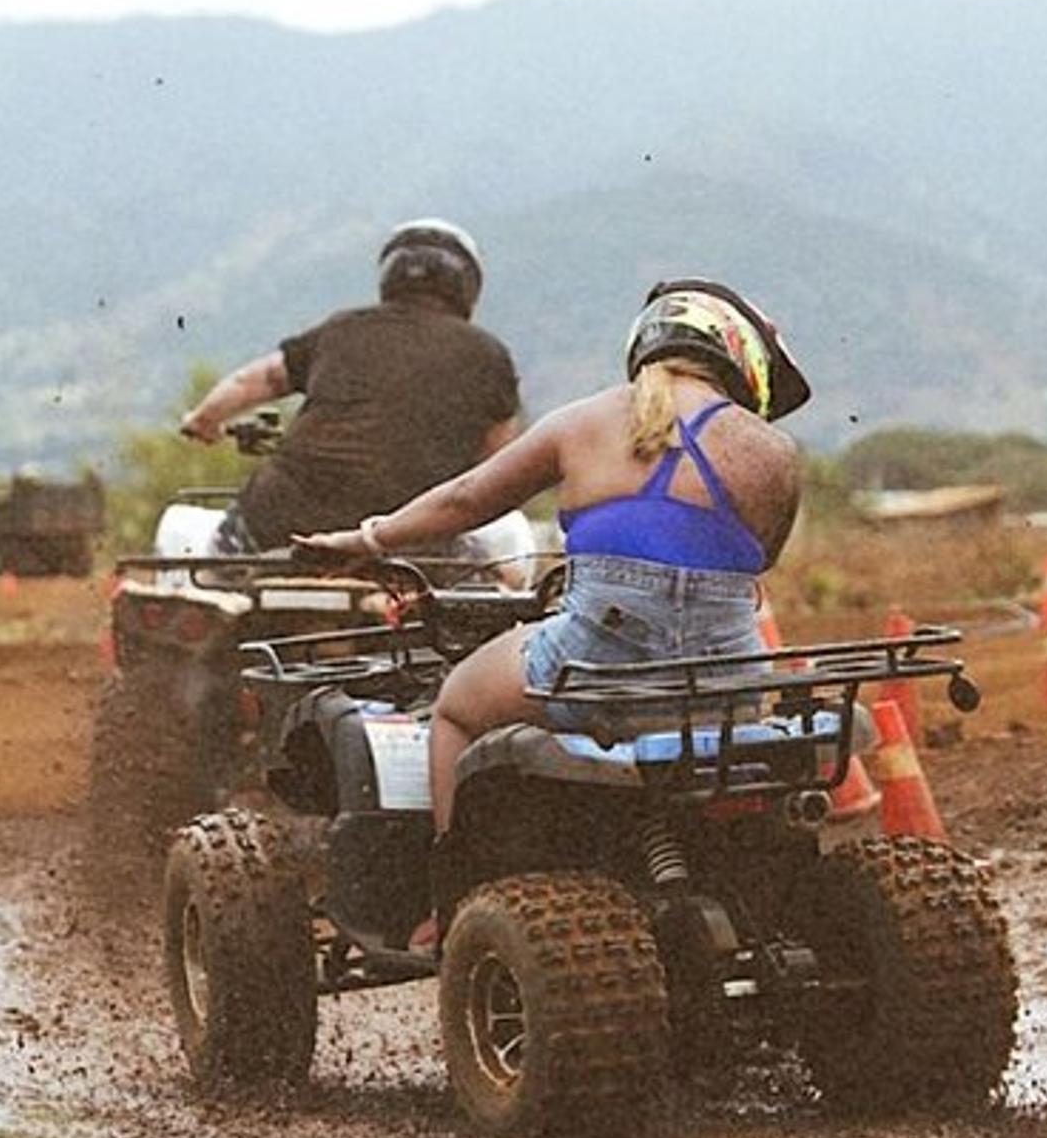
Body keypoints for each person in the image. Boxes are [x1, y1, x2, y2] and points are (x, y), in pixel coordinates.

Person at [298, 278, 810, 837]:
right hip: (727, 678)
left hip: (596, 662)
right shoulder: (773, 452)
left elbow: (466, 498)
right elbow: (759, 557)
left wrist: (367, 540)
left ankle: (445, 899)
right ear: (741, 356)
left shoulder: (585, 421)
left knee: (453, 710)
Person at [179, 219, 521, 553]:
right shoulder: (489, 356)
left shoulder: (342, 329)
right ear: (467, 285)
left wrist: (203, 420)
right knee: (495, 566)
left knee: (216, 562)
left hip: (280, 521)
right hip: (411, 536)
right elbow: (499, 463)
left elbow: (259, 379)